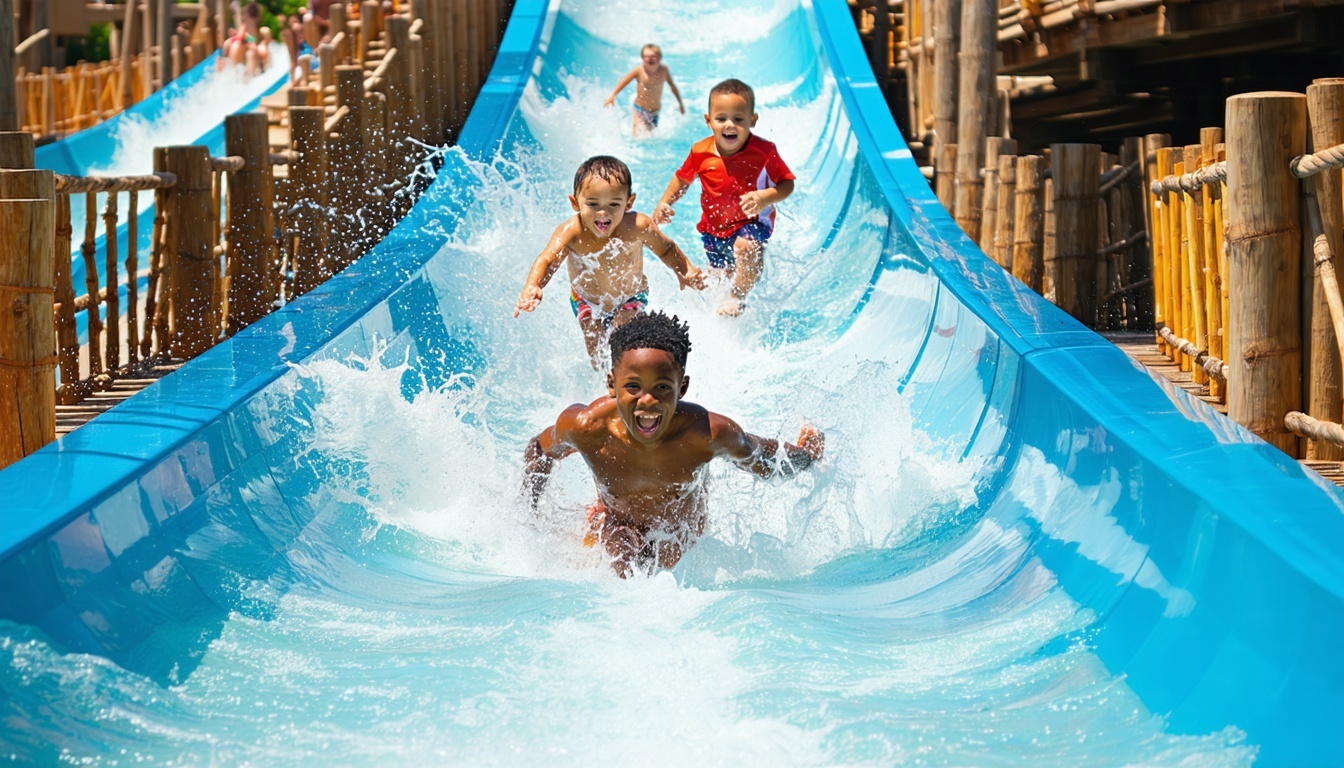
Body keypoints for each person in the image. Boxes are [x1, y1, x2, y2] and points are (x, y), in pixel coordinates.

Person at [523, 312, 824, 578]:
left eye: (662, 388)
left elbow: (763, 458)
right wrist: (529, 511)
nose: (648, 400)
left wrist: (806, 454)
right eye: (632, 387)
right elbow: (539, 450)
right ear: (611, 384)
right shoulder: (586, 427)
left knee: (658, 565)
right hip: (615, 521)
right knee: (625, 560)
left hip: (679, 533)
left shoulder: (706, 435)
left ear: (682, 388)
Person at [515, 156, 705, 369]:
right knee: (597, 352)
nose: (603, 212)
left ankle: (624, 380)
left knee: (621, 337)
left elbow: (667, 249)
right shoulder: (572, 232)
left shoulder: (638, 226)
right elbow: (548, 260)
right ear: (575, 203)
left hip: (630, 296)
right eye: (593, 204)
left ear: (628, 203)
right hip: (586, 299)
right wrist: (533, 286)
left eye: (614, 204)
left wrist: (685, 271)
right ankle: (607, 384)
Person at [654, 78, 796, 317]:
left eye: (738, 119)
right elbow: (682, 179)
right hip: (714, 229)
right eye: (721, 118)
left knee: (746, 249)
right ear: (709, 121)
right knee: (720, 278)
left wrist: (765, 196)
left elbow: (787, 184)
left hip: (752, 222)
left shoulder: (764, 152)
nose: (729, 124)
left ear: (752, 121)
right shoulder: (700, 152)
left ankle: (738, 297)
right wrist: (665, 201)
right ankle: (725, 310)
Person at [604, 44, 685, 136]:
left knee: (649, 137)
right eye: (646, 57)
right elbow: (624, 81)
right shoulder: (639, 70)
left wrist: (680, 103)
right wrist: (613, 95)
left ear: (659, 58)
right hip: (640, 109)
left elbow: (672, 85)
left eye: (653, 57)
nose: (649, 59)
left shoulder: (664, 70)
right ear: (642, 58)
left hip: (655, 111)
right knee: (638, 135)